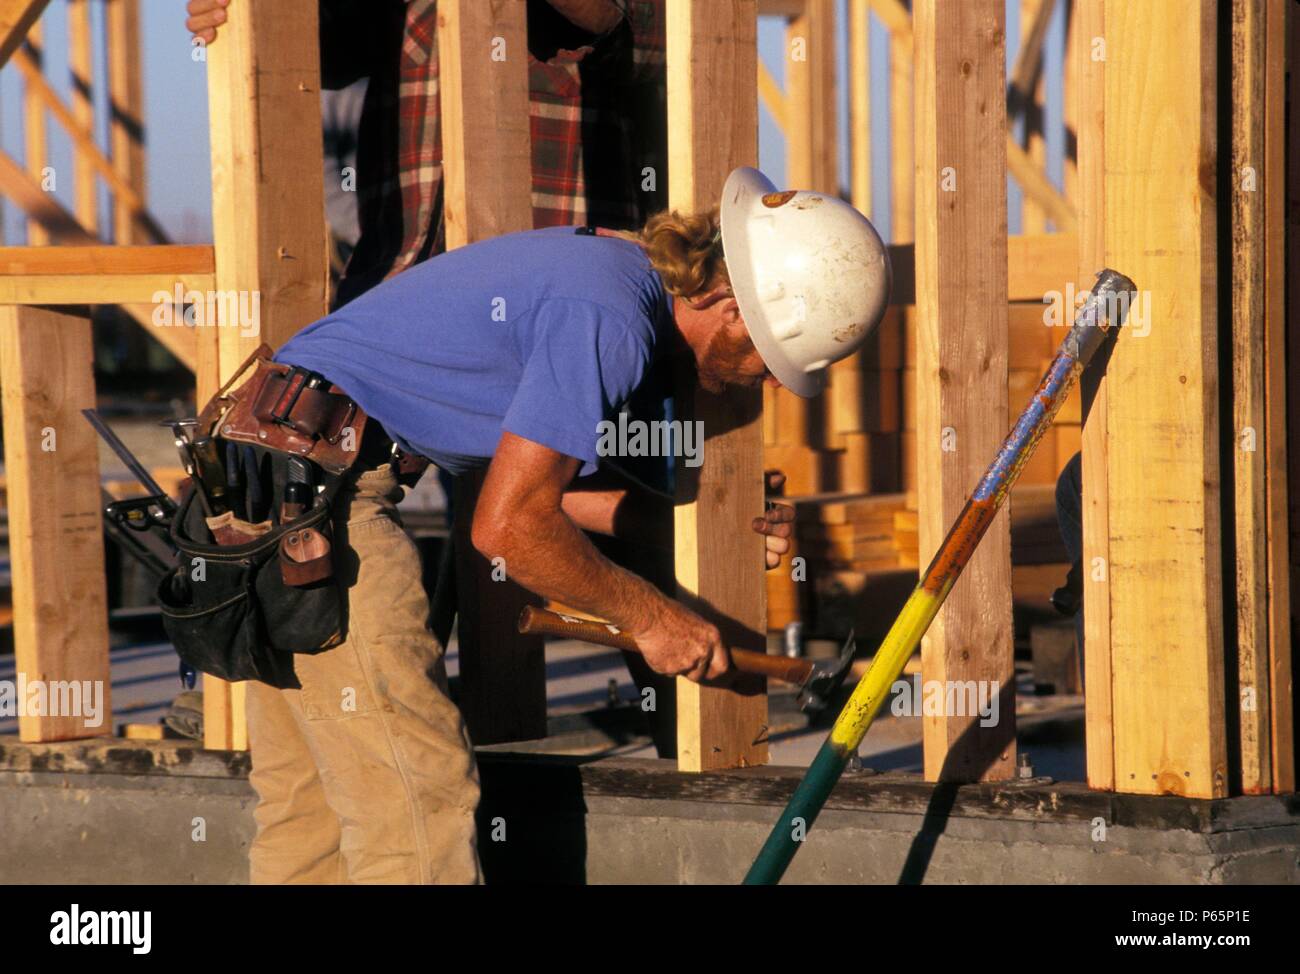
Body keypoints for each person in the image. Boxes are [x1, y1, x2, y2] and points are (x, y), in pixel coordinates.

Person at [223, 167, 891, 883]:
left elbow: (546, 495)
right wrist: (653, 618)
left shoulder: (607, 276)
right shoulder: (610, 319)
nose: (767, 380)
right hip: (325, 507)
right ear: (730, 303)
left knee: (313, 813)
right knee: (416, 801)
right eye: (770, 358)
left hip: (264, 483)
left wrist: (689, 530)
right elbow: (510, 528)